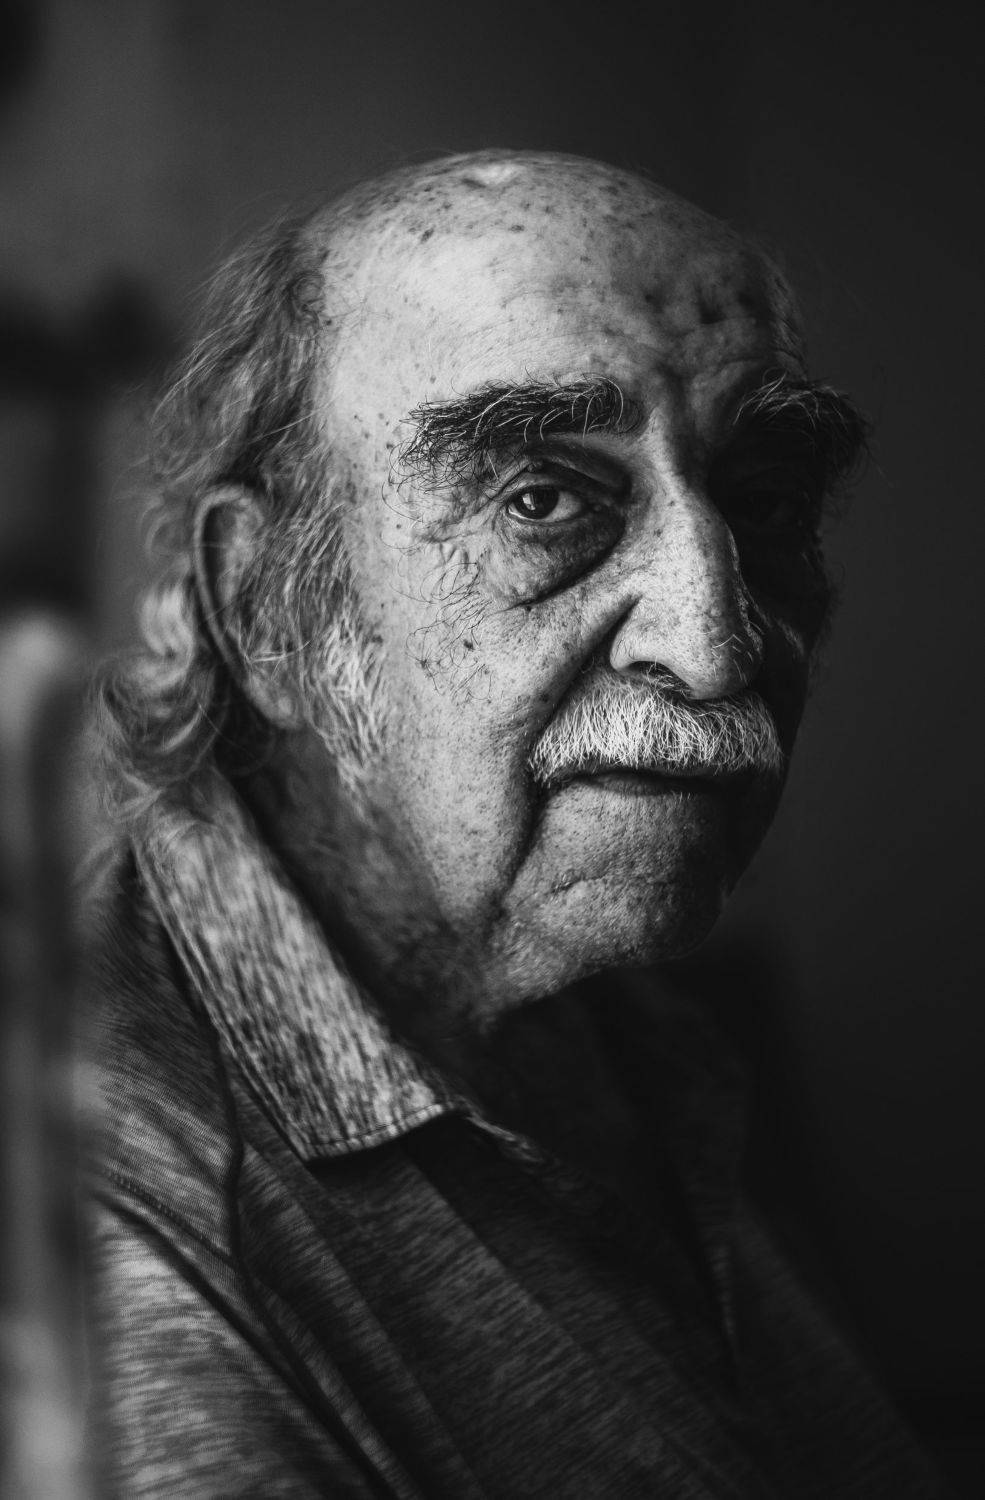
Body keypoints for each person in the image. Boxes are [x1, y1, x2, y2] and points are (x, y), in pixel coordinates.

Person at [85, 149, 940, 1496]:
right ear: (263, 608)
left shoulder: (600, 994)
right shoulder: (107, 1220)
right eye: (541, 499)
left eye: (765, 500)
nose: (714, 645)